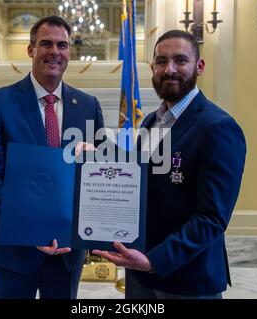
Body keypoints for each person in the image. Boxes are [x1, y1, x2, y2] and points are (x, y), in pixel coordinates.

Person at [93, 30, 246, 299]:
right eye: (161, 61)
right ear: (152, 68)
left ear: (199, 66)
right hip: (140, 271)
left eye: (180, 60)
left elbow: (211, 219)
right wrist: (97, 152)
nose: (169, 69)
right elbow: (142, 174)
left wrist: (155, 261)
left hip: (187, 279)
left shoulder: (219, 128)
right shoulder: (152, 120)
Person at [0, 16, 104, 299]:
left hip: (68, 253)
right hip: (14, 250)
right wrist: (31, 226)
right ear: (30, 50)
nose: (54, 51)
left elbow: (100, 174)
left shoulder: (88, 106)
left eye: (62, 45)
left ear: (70, 52)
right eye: (46, 43)